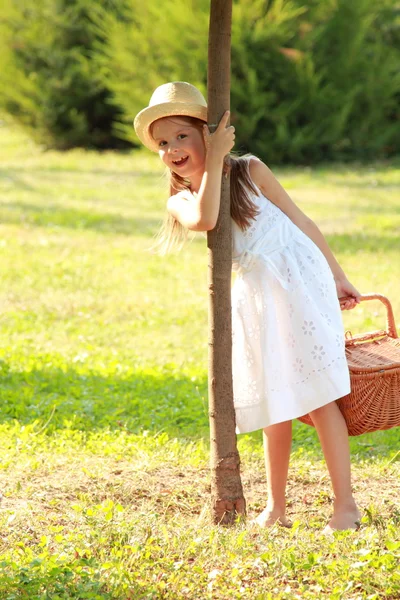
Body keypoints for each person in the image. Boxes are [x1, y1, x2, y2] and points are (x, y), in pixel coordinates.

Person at [134, 81, 362, 532]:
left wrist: (338, 275)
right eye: (163, 143)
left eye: (182, 135)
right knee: (273, 398)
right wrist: (214, 157)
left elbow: (301, 220)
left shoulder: (250, 169)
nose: (173, 149)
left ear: (207, 132)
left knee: (319, 398)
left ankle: (346, 507)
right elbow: (206, 219)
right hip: (257, 295)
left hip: (298, 282)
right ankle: (276, 507)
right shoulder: (182, 199)